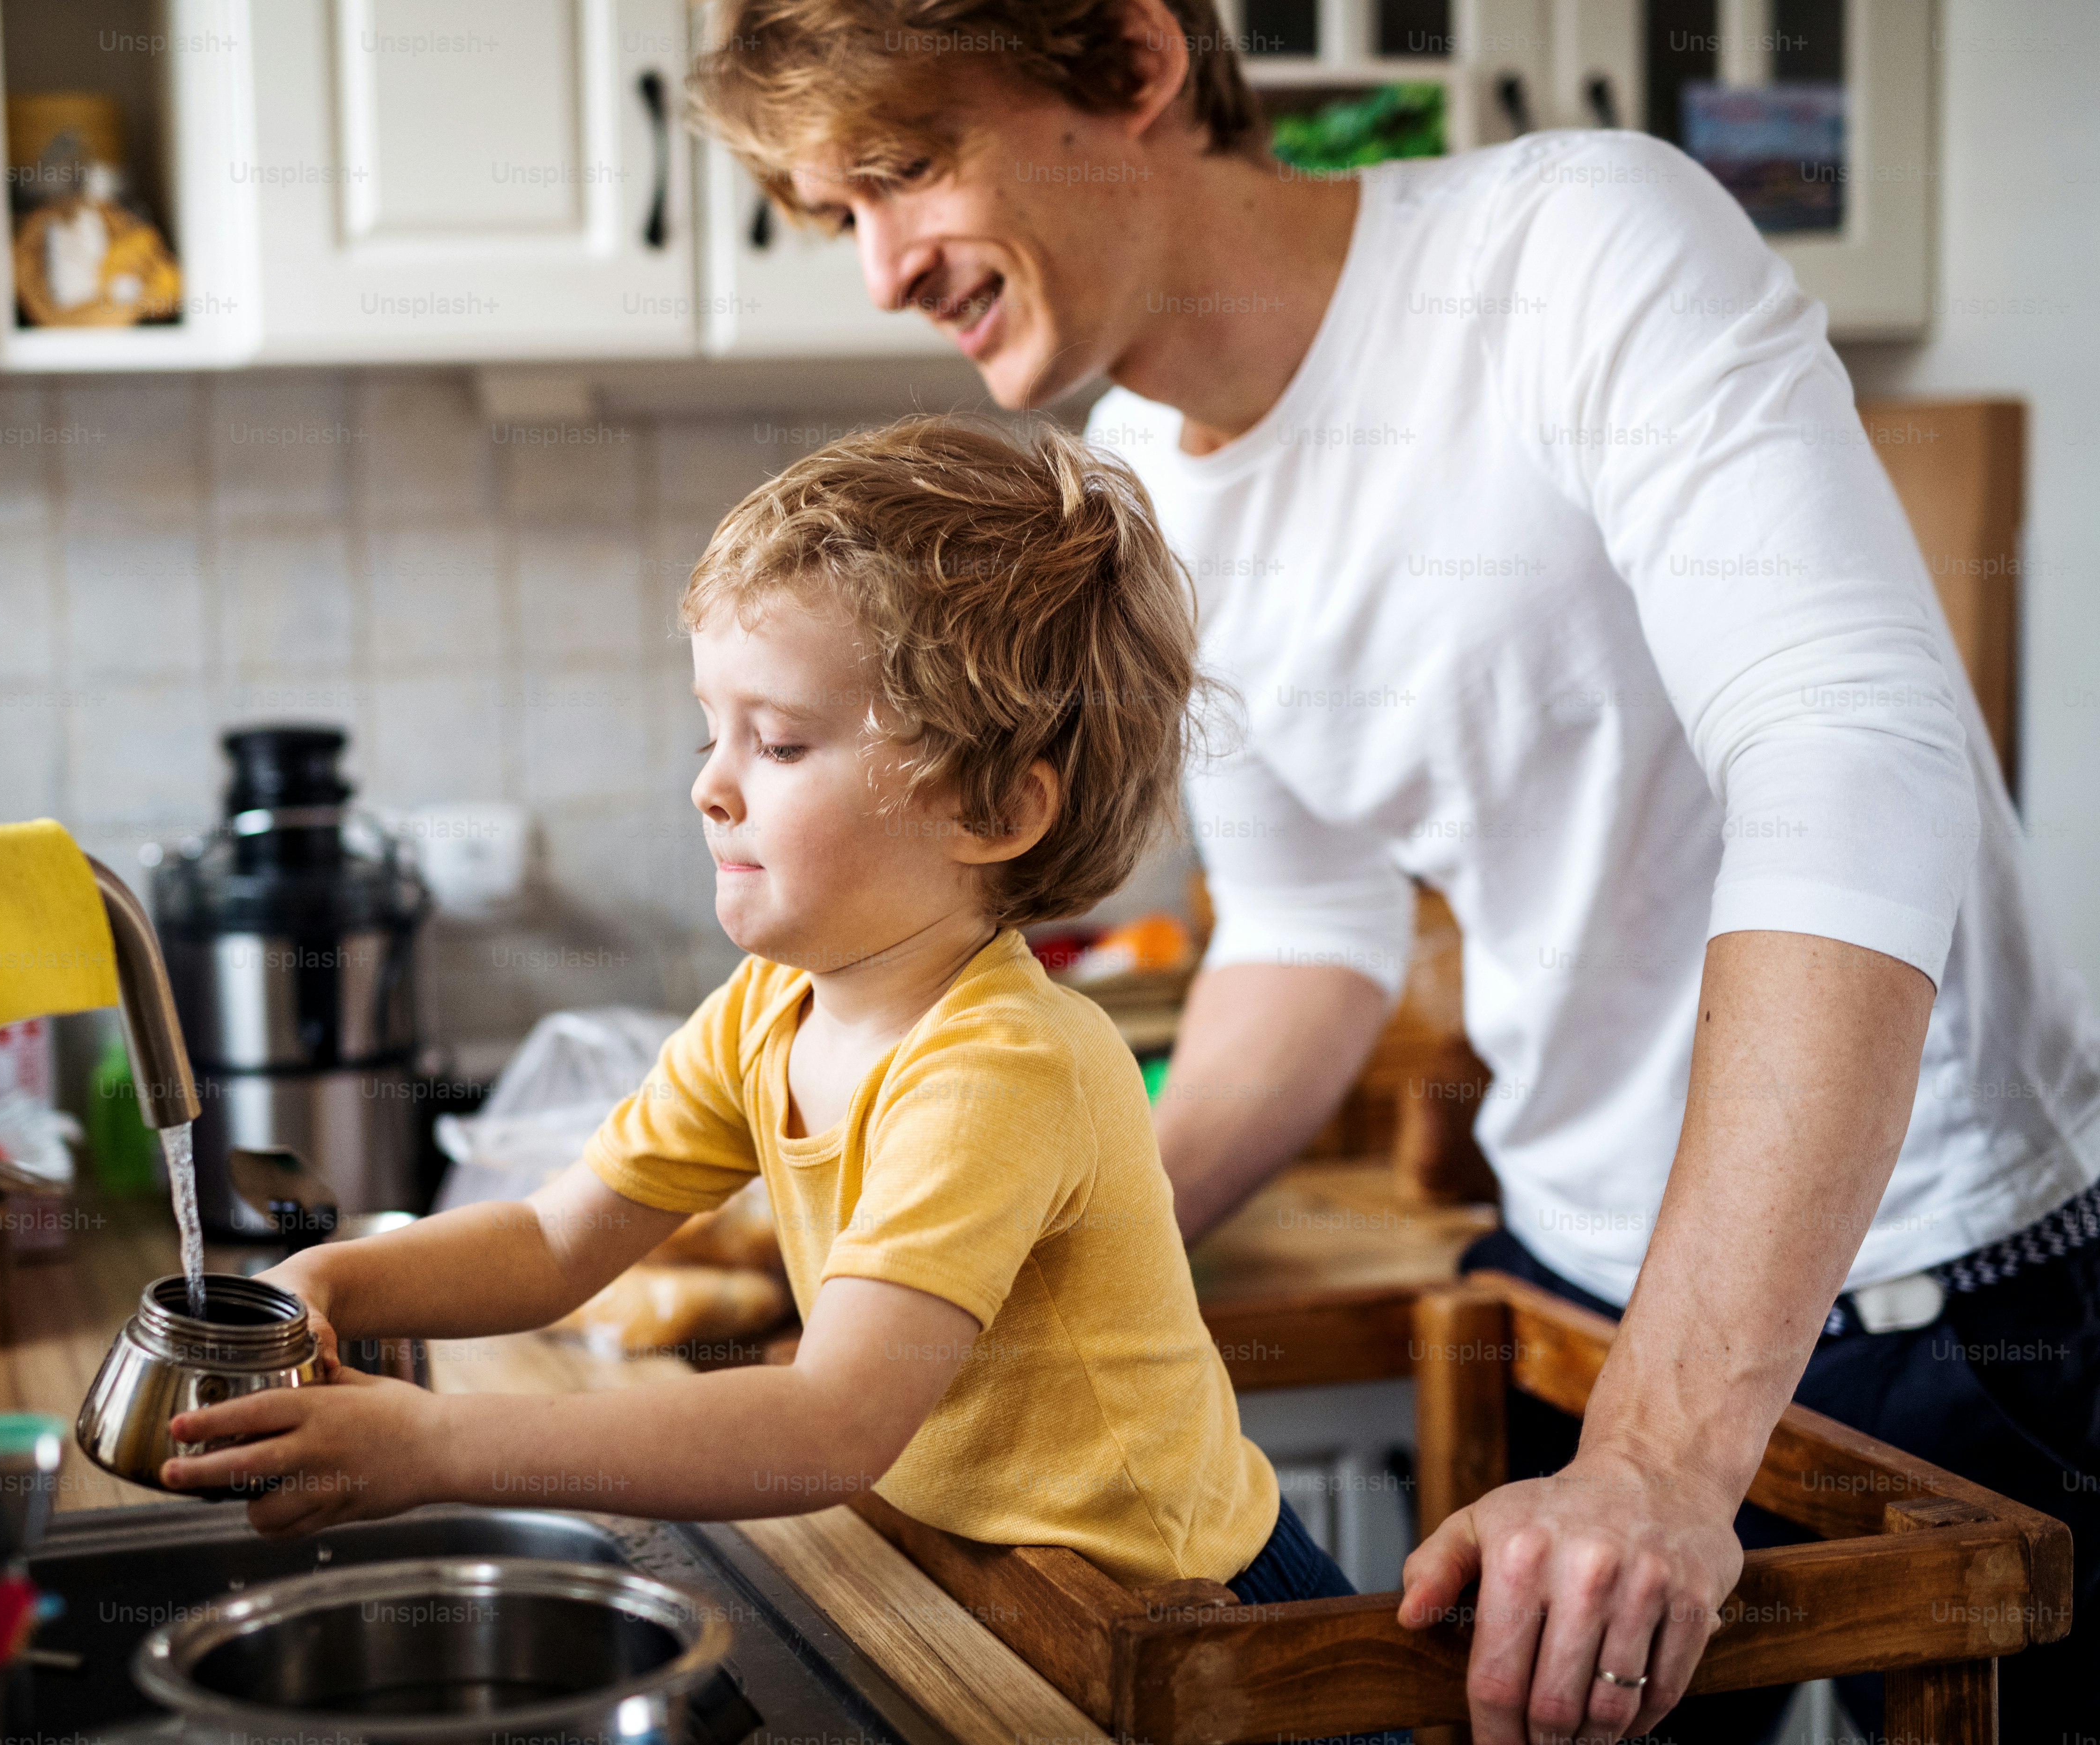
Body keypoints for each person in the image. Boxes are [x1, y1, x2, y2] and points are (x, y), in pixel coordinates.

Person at [690, 4, 2100, 1743]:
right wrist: (1008, 1241)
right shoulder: (1138, 485)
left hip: (1939, 1295)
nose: (883, 270)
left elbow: (1844, 753)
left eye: (907, 170)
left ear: (1136, 67)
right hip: (1566, 1279)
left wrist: (1662, 1457)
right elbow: (1308, 931)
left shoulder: (1574, 244)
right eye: (842, 217)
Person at [161, 418, 1397, 1680]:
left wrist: (437, 1445)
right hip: (1005, 1594)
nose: (712, 785)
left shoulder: (1001, 1065)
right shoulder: (772, 1008)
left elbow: (827, 1423)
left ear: (995, 806)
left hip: (1195, 1630)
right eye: (714, 730)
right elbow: (554, 1242)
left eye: (783, 742)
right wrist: (330, 1286)